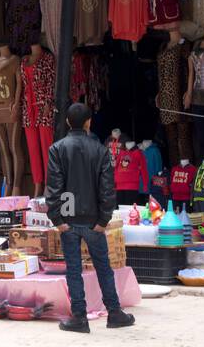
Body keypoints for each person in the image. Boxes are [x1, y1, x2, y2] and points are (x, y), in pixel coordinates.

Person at [45, 101, 136, 334]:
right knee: (103, 267)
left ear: (67, 122)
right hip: (94, 220)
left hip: (69, 219)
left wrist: (58, 219)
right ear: (89, 122)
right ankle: (114, 313)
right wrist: (104, 219)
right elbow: (107, 188)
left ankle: (79, 317)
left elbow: (55, 187)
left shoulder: (57, 149)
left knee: (73, 270)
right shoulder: (100, 150)